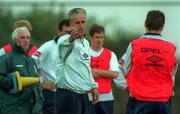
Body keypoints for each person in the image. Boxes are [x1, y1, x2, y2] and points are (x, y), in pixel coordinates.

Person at [120, 10, 177, 114]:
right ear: (162, 27)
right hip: (163, 101)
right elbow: (172, 74)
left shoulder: (134, 45)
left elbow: (124, 69)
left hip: (139, 100)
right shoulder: (171, 48)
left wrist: (128, 86)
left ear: (145, 23)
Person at [54, 8, 99, 114]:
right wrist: (70, 40)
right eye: (77, 23)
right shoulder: (64, 40)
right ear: (71, 25)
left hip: (83, 94)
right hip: (68, 95)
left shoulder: (86, 43)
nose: (81, 25)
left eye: (83, 22)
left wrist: (93, 86)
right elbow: (64, 45)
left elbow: (86, 67)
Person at [0, 27, 43, 114]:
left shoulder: (31, 60)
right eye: (22, 37)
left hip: (34, 110)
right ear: (15, 40)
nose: (26, 40)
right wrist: (12, 83)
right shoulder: (7, 58)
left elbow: (36, 84)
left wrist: (40, 101)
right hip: (14, 109)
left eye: (28, 37)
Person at [32, 19, 70, 114]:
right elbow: (31, 62)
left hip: (69, 94)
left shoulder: (75, 47)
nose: (68, 35)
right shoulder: (48, 46)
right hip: (52, 94)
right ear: (59, 32)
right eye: (66, 32)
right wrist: (40, 83)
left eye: (70, 32)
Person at [88, 24, 120, 114]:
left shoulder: (111, 54)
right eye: (97, 37)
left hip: (107, 98)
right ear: (91, 37)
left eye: (101, 37)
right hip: (88, 97)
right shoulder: (84, 53)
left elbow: (114, 74)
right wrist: (106, 73)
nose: (99, 40)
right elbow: (83, 74)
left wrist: (94, 70)